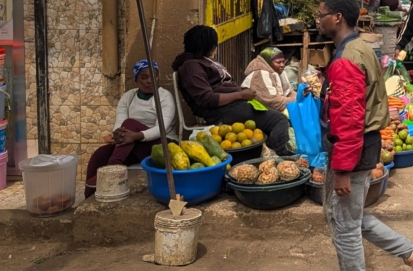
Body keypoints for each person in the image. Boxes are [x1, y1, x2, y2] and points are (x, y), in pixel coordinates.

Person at [316, 0, 413, 271]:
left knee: (344, 222)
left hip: (353, 149)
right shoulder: (359, 48)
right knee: (344, 214)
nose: (318, 19)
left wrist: (342, 170)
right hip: (360, 146)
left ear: (337, 18)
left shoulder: (346, 60)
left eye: (321, 14)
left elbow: (348, 119)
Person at [172, 25, 291, 156]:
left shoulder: (203, 61)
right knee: (279, 120)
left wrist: (242, 92)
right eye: (213, 45)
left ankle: (265, 154)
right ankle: (280, 155)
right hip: (222, 111)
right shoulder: (191, 66)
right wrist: (240, 95)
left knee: (271, 119)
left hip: (235, 104)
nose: (214, 48)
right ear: (205, 45)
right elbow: (207, 99)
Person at [85, 60, 175, 198]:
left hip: (161, 146)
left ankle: (111, 170)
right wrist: (118, 134)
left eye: (154, 76)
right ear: (136, 79)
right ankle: (89, 198)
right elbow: (120, 122)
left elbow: (160, 129)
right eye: (144, 77)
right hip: (135, 145)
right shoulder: (128, 97)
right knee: (100, 154)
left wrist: (136, 135)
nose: (150, 81)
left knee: (130, 123)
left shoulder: (164, 96)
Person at [241, 47, 296, 112]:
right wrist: (296, 100)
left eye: (283, 62)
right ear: (268, 62)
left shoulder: (277, 71)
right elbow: (273, 102)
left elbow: (288, 91)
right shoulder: (260, 74)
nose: (282, 65)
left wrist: (302, 94)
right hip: (256, 111)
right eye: (278, 62)